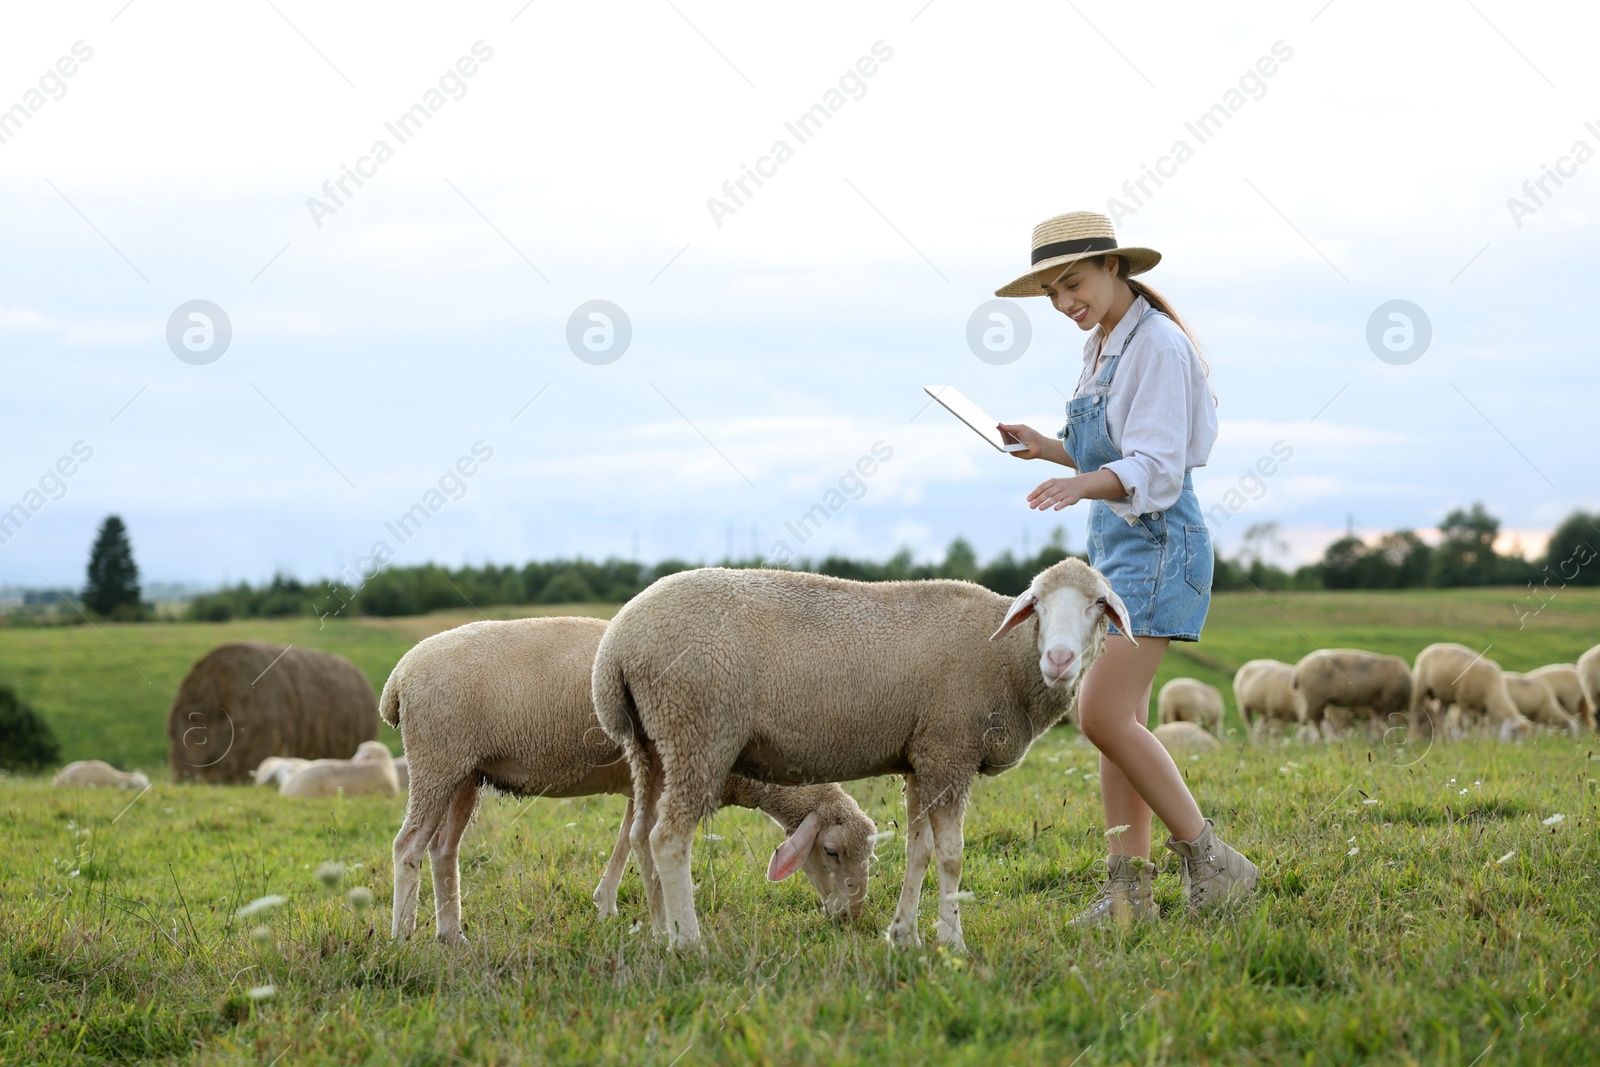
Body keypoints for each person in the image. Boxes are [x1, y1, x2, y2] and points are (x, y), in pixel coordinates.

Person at [994, 210, 1259, 925]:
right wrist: (1049, 447)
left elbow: (1156, 466)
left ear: (1114, 266)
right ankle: (1126, 895)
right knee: (1123, 720)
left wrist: (1080, 482)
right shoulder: (1106, 343)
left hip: (1160, 545)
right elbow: (1110, 447)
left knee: (1100, 712)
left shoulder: (1159, 346)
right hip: (1117, 550)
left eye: (1072, 283)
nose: (1062, 303)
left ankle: (1212, 859)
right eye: (1051, 291)